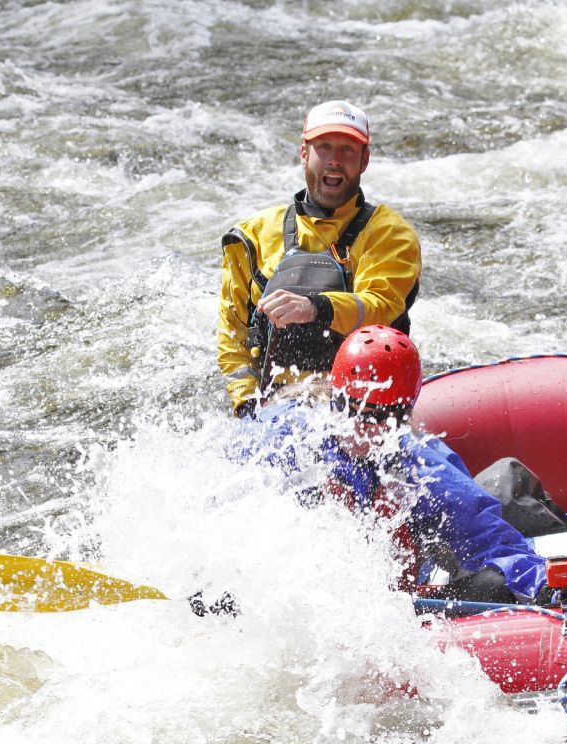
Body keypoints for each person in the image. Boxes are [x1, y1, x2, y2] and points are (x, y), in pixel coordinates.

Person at [248, 325, 546, 604]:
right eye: (356, 410)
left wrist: (542, 584)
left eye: (384, 417)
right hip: (292, 592)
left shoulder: (419, 465)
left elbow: (493, 540)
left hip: (391, 603)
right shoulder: (285, 436)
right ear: (335, 399)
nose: (367, 429)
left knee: (494, 587)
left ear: (404, 415)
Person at [218, 100, 423, 418]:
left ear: (364, 160)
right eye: (324, 147)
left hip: (364, 413)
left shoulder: (389, 234)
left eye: (347, 150)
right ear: (305, 154)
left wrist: (315, 308)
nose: (335, 161)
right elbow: (232, 334)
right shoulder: (252, 237)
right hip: (275, 409)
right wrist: (247, 407)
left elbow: (379, 306)